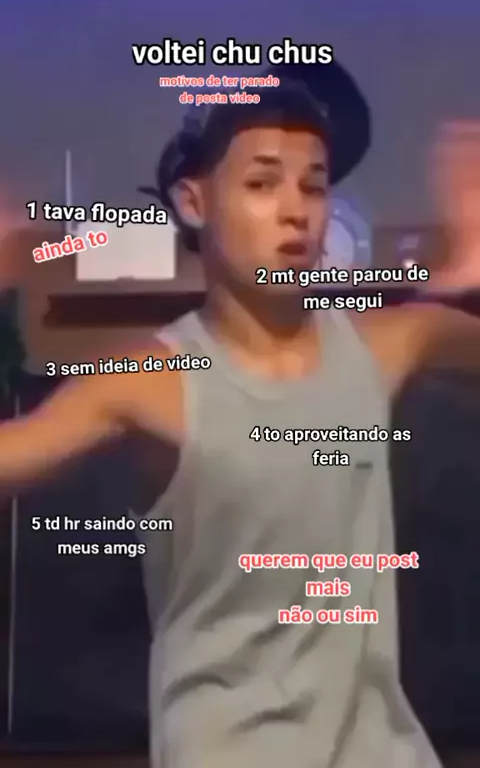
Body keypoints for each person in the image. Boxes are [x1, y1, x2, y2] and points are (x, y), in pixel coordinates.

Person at [1, 63, 480, 768]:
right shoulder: (151, 378)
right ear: (194, 201)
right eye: (262, 183)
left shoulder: (387, 345)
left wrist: (467, 268)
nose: (296, 210)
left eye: (313, 185)